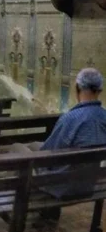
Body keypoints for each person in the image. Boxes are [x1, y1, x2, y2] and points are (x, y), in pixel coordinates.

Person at [37, 67, 106, 215]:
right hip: (90, 183)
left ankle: (45, 210)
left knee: (20, 150)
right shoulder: (104, 117)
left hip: (63, 186)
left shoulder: (71, 118)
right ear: (99, 91)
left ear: (77, 88)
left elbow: (48, 153)